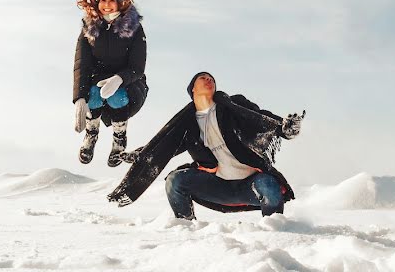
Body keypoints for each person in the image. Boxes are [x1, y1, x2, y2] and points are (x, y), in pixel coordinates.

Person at [107, 72, 304, 219]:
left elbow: (260, 117)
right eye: (203, 77)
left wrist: (283, 128)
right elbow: (164, 147)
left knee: (269, 185)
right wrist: (139, 156)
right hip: (216, 185)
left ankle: (276, 234)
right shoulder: (188, 124)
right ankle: (186, 230)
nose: (209, 79)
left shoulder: (234, 105)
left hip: (250, 184)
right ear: (192, 88)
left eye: (211, 78)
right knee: (175, 181)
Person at [73, 0, 148, 167]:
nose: (107, 5)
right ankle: (91, 134)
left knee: (117, 96)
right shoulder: (89, 28)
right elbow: (82, 64)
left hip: (129, 82)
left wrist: (119, 79)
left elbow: (138, 67)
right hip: (97, 81)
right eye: (103, 1)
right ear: (98, 4)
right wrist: (80, 98)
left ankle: (119, 138)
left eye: (112, 0)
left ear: (120, 4)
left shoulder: (134, 28)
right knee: (94, 95)